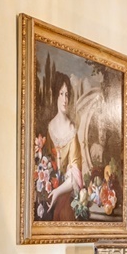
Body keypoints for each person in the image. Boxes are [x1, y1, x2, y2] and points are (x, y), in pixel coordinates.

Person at [41, 72, 84, 220]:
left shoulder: (72, 131)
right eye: (61, 94)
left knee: (64, 212)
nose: (65, 99)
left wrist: (58, 191)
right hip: (49, 190)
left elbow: (75, 175)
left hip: (66, 193)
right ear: (55, 96)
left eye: (67, 95)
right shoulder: (50, 128)